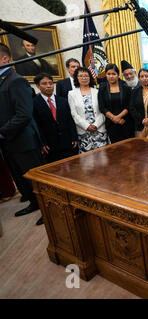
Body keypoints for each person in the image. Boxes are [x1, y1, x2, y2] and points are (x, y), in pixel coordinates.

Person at [0, 43, 43, 226]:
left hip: (24, 141)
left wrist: (2, 132)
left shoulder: (16, 80)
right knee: (21, 178)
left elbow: (24, 114)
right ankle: (34, 203)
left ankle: (47, 210)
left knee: (36, 180)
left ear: (5, 59)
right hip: (10, 141)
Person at [33, 73, 78, 162]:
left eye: (50, 83)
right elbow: (37, 125)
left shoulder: (63, 101)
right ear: (38, 86)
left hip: (68, 142)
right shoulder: (34, 103)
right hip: (50, 145)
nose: (48, 86)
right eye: (44, 83)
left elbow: (70, 120)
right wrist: (42, 143)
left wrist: (74, 137)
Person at [68, 67, 108, 153]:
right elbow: (74, 114)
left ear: (90, 77)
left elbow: (103, 110)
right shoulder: (71, 94)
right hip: (83, 132)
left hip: (99, 130)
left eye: (86, 76)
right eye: (81, 76)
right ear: (77, 78)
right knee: (87, 162)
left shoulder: (97, 91)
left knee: (104, 159)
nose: (84, 78)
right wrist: (87, 126)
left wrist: (96, 125)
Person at [98, 63, 134, 143]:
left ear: (118, 75)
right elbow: (102, 107)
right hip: (111, 124)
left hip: (125, 122)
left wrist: (119, 117)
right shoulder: (102, 88)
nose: (111, 76)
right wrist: (114, 118)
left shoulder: (126, 87)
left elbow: (130, 105)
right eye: (108, 74)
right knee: (115, 151)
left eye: (113, 74)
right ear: (106, 75)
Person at [128, 68, 148, 139]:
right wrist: (142, 120)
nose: (144, 78)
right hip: (140, 126)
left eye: (146, 76)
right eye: (142, 76)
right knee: (141, 148)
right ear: (139, 78)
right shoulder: (134, 92)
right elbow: (131, 108)